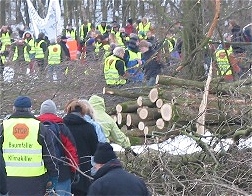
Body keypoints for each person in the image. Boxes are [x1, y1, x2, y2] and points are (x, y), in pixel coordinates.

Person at [0, 96, 59, 195]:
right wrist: (54, 175)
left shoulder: (4, 127)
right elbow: (50, 156)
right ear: (30, 109)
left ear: (14, 108)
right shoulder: (40, 127)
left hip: (9, 180)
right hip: (36, 181)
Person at [37, 99, 79, 196]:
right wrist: (74, 170)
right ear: (54, 112)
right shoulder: (62, 127)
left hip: (42, 172)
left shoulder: (37, 128)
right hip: (62, 172)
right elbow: (71, 151)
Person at [63, 99, 98, 196]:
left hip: (65, 169)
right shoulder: (89, 128)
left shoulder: (62, 126)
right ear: (83, 112)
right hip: (84, 170)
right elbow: (95, 150)